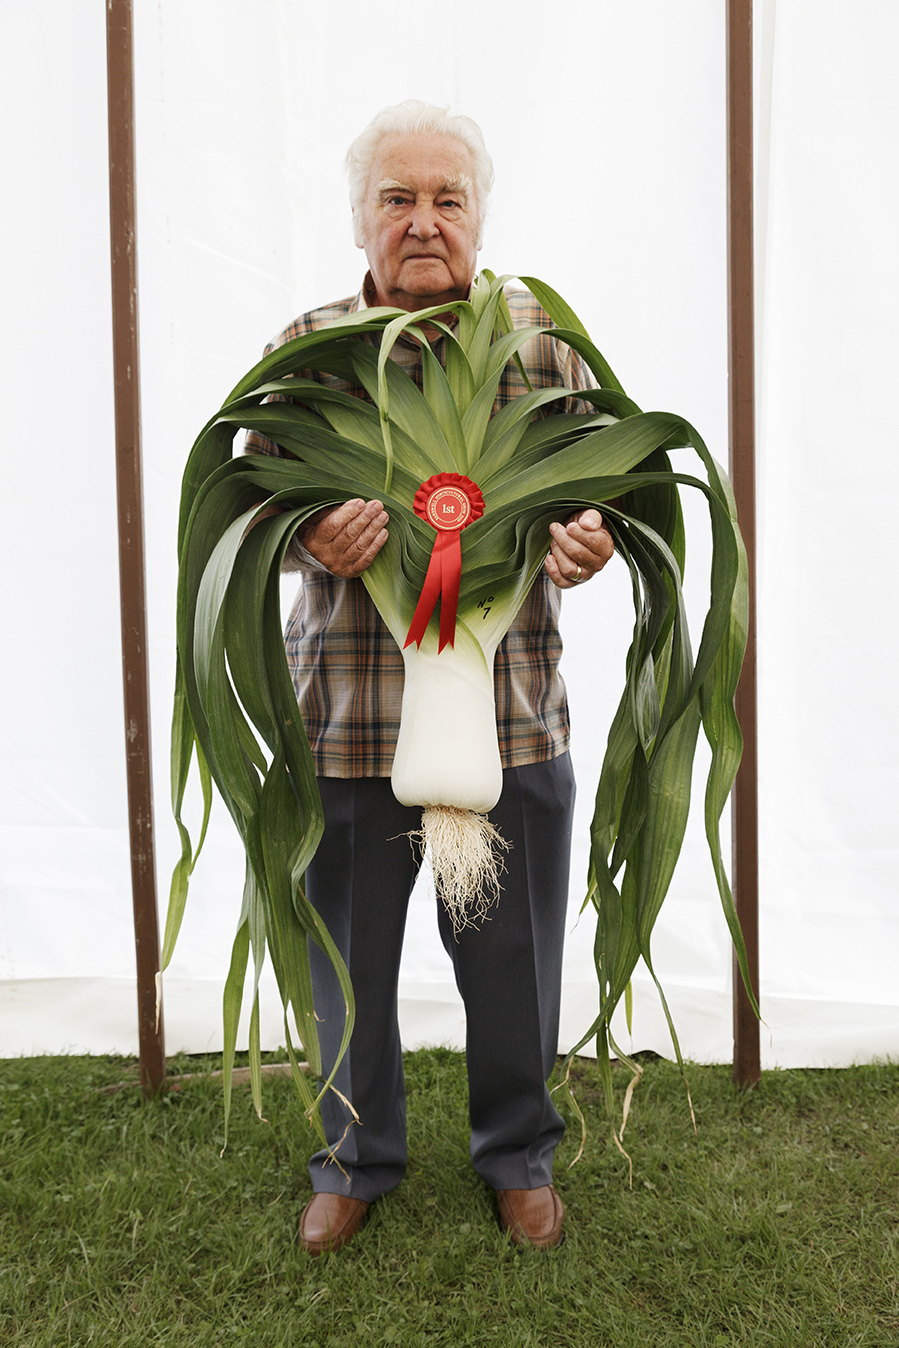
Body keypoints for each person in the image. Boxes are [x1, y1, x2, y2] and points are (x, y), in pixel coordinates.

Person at [245, 100, 614, 1254]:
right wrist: (309, 537)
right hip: (349, 724)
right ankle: (355, 1158)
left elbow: (602, 483)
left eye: (445, 199)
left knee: (516, 965)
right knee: (343, 966)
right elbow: (251, 499)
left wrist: (592, 532)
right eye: (396, 200)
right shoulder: (309, 348)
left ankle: (517, 1156)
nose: (421, 222)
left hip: (509, 728)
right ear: (359, 218)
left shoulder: (540, 340)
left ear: (478, 214)